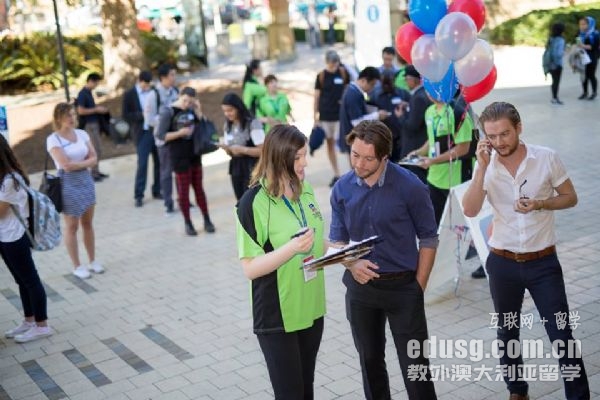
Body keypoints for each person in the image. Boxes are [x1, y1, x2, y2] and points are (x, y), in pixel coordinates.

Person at [462, 102, 590, 400]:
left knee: (561, 334)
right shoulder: (486, 165)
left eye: (505, 134)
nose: (499, 142)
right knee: (507, 331)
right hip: (502, 262)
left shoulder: (545, 157)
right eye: (492, 136)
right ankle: (517, 391)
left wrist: (541, 203)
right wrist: (481, 168)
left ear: (519, 128)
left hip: (543, 263)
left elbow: (570, 197)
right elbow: (469, 209)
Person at [330, 120, 438, 400]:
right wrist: (351, 263)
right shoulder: (341, 189)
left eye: (368, 158)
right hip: (361, 289)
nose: (359, 164)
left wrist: (418, 287)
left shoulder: (411, 186)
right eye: (355, 155)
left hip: (403, 287)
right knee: (370, 362)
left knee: (416, 367)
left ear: (384, 156)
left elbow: (429, 238)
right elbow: (337, 242)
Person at [236, 125, 326, 400]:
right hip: (278, 316)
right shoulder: (253, 202)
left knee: (306, 390)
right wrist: (291, 249)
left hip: (311, 307)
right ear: (279, 158)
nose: (305, 163)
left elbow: (316, 242)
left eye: (305, 155)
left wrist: (346, 253)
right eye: (298, 157)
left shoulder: (305, 189)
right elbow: (250, 268)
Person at [0, 135, 53, 343]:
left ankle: (42, 325)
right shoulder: (3, 178)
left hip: (15, 237)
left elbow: (1, 212)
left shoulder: (10, 180)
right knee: (20, 280)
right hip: (4, 237)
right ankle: (29, 320)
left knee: (30, 280)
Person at [47, 103, 103, 279]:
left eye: (73, 114)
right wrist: (85, 163)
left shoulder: (82, 134)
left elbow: (94, 158)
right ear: (58, 118)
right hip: (68, 183)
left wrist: (79, 164)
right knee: (72, 226)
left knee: (88, 223)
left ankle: (92, 261)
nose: (72, 118)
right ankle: (77, 266)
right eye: (68, 115)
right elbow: (65, 165)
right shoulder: (53, 139)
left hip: (86, 180)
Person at [155, 87, 216, 236]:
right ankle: (188, 222)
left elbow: (202, 127)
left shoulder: (192, 110)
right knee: (183, 191)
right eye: (185, 101)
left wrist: (198, 110)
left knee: (199, 188)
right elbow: (160, 135)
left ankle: (207, 219)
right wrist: (179, 133)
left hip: (194, 154)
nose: (187, 104)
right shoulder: (168, 111)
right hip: (178, 156)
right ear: (179, 96)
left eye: (190, 102)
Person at [409, 97, 474, 225]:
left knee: (459, 225)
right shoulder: (429, 111)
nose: (429, 92)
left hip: (456, 180)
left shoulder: (458, 113)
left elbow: (463, 148)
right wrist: (418, 152)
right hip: (434, 178)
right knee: (434, 222)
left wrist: (433, 161)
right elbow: (432, 139)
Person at [123, 70, 161, 207]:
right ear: (139, 81)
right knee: (143, 164)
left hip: (155, 130)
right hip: (142, 133)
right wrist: (141, 115)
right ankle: (139, 195)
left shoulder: (154, 92)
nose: (147, 87)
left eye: (149, 84)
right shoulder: (129, 94)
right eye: (145, 84)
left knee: (159, 161)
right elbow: (125, 115)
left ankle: (157, 190)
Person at [144, 63, 179, 214]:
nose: (174, 78)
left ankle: (183, 199)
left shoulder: (175, 92)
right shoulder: (153, 95)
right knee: (166, 172)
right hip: (163, 140)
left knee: (180, 170)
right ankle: (168, 202)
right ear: (163, 77)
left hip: (178, 137)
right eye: (172, 75)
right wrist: (165, 120)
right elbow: (149, 119)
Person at [313, 50, 350, 186]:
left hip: (340, 116)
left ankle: (352, 171)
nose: (334, 66)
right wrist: (315, 117)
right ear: (327, 63)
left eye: (336, 63)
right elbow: (316, 97)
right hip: (326, 115)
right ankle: (337, 173)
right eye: (331, 64)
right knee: (330, 144)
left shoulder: (343, 73)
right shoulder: (321, 76)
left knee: (346, 143)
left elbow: (348, 90)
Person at [220, 93, 265, 201]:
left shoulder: (252, 123)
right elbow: (230, 152)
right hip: (236, 167)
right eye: (225, 111)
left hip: (252, 167)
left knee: (253, 201)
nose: (227, 114)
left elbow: (263, 150)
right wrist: (227, 149)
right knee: (240, 201)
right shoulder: (228, 126)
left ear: (238, 107)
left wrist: (242, 150)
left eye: (230, 110)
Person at [394, 65, 432, 183]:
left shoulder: (418, 97)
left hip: (415, 146)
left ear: (414, 80)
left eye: (407, 79)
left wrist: (400, 116)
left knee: (417, 181)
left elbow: (412, 126)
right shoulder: (421, 94)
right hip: (419, 144)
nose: (406, 82)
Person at [338, 67, 388, 156]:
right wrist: (377, 115)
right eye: (372, 84)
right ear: (363, 80)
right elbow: (357, 122)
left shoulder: (353, 91)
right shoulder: (353, 95)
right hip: (353, 140)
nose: (372, 88)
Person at [76, 72, 109, 182]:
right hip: (89, 125)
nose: (96, 86)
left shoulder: (89, 93)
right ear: (90, 81)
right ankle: (93, 173)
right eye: (96, 83)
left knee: (98, 149)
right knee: (94, 149)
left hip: (95, 123)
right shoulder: (82, 94)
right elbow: (80, 110)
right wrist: (96, 110)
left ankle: (96, 171)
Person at [371, 72, 410, 162]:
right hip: (383, 134)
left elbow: (412, 107)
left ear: (394, 81)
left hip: (400, 135)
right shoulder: (375, 95)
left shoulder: (403, 93)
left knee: (401, 160)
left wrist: (406, 105)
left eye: (389, 83)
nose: (387, 86)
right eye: (384, 84)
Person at [577, 16, 599, 100]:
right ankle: (585, 92)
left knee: (591, 75)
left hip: (592, 57)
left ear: (589, 24)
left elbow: (594, 47)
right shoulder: (580, 33)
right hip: (582, 57)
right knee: (583, 75)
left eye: (584, 24)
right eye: (580, 24)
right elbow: (577, 43)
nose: (582, 26)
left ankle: (594, 92)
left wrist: (583, 46)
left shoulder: (595, 34)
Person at [547, 22, 566, 105]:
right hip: (557, 64)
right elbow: (558, 54)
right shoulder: (561, 40)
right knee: (556, 82)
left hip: (550, 63)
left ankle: (553, 97)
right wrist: (563, 52)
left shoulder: (551, 39)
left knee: (553, 81)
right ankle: (555, 98)